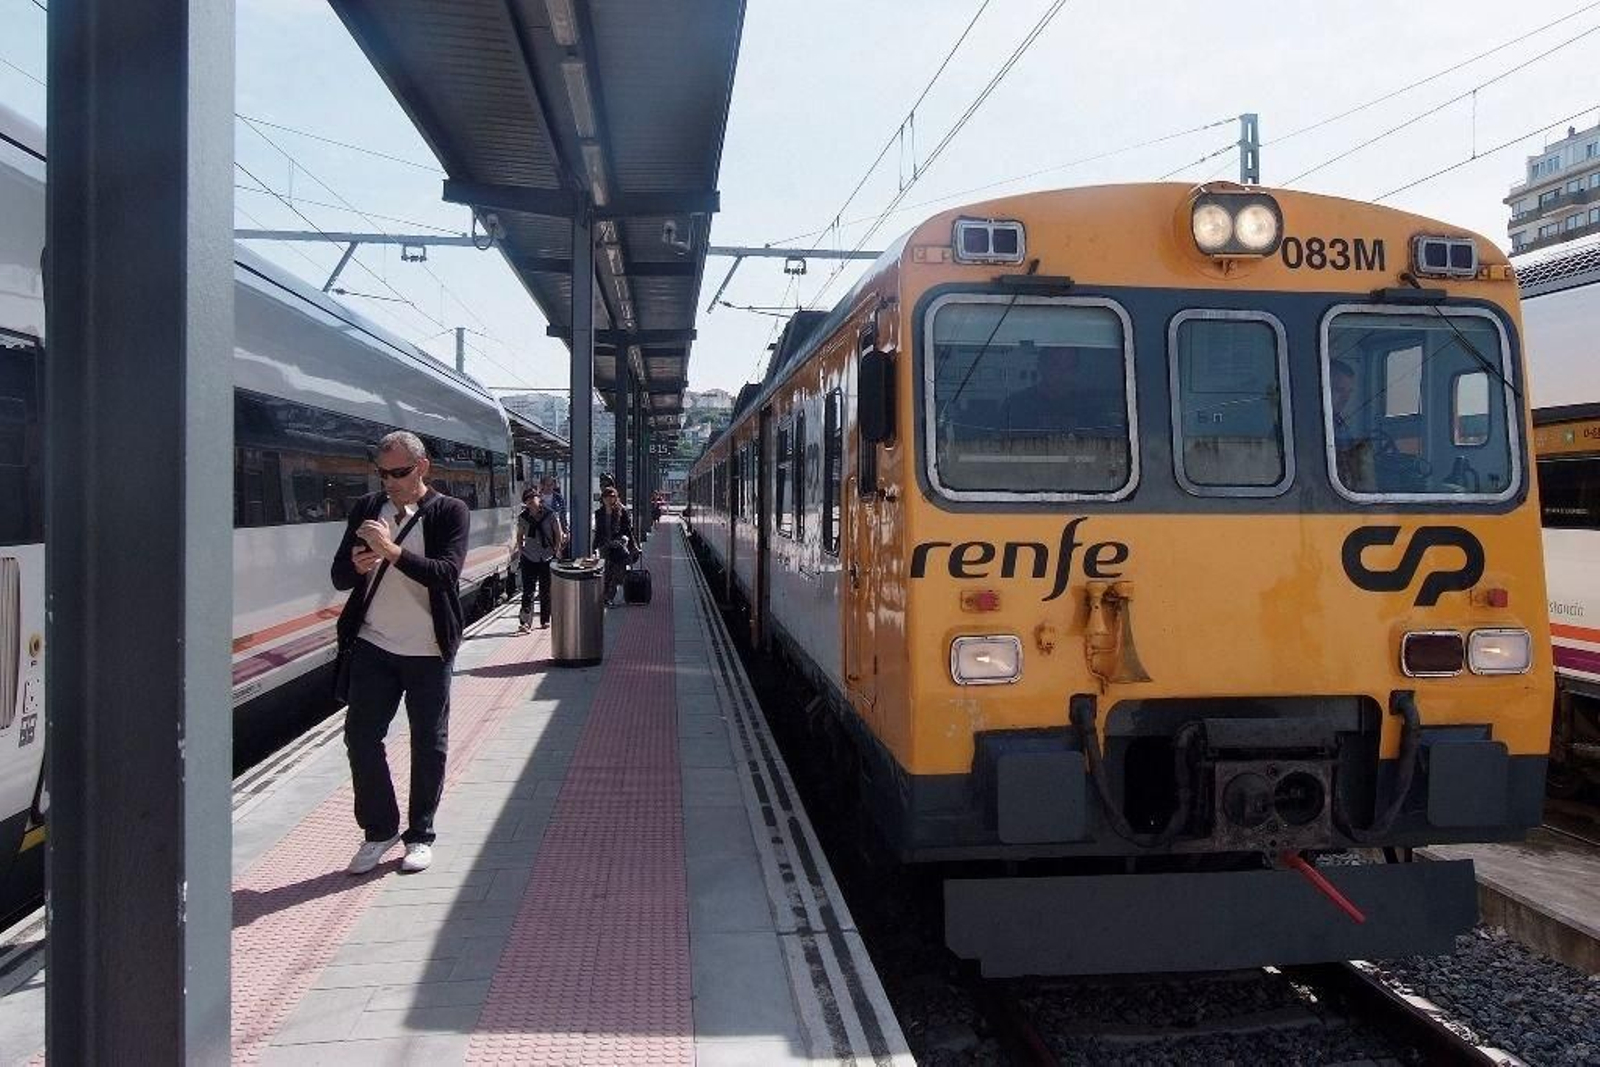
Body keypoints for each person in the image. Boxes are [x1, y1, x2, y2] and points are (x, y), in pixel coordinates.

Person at [330, 430, 470, 876]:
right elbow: (338, 576)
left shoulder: (449, 511)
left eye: (399, 473)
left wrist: (390, 551)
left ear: (422, 467)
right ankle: (380, 829)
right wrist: (357, 565)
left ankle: (420, 834)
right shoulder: (367, 509)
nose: (389, 482)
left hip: (428, 648)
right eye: (383, 474)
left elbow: (445, 573)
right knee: (360, 737)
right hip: (373, 643)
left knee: (428, 741)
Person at [1000, 344, 1121, 434]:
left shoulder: (1091, 407)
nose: (1062, 373)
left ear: (1076, 371)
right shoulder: (1015, 405)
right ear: (1041, 366)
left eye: (1069, 367)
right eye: (1055, 365)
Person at [512, 487, 564, 631]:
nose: (530, 501)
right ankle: (525, 622)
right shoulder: (523, 517)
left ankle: (545, 620)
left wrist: (557, 549)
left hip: (547, 556)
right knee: (528, 590)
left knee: (545, 590)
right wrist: (521, 550)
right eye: (527, 500)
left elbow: (558, 533)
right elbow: (520, 535)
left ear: (538, 498)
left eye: (532, 498)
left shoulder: (550, 514)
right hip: (529, 556)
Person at [593, 485, 635, 606]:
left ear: (616, 497)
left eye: (612, 496)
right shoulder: (599, 513)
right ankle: (606, 597)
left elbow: (627, 530)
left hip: (618, 545)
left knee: (617, 571)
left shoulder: (622, 511)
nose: (609, 499)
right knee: (606, 571)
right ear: (603, 498)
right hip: (604, 545)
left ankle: (609, 595)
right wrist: (594, 547)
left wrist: (633, 545)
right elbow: (598, 531)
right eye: (607, 496)